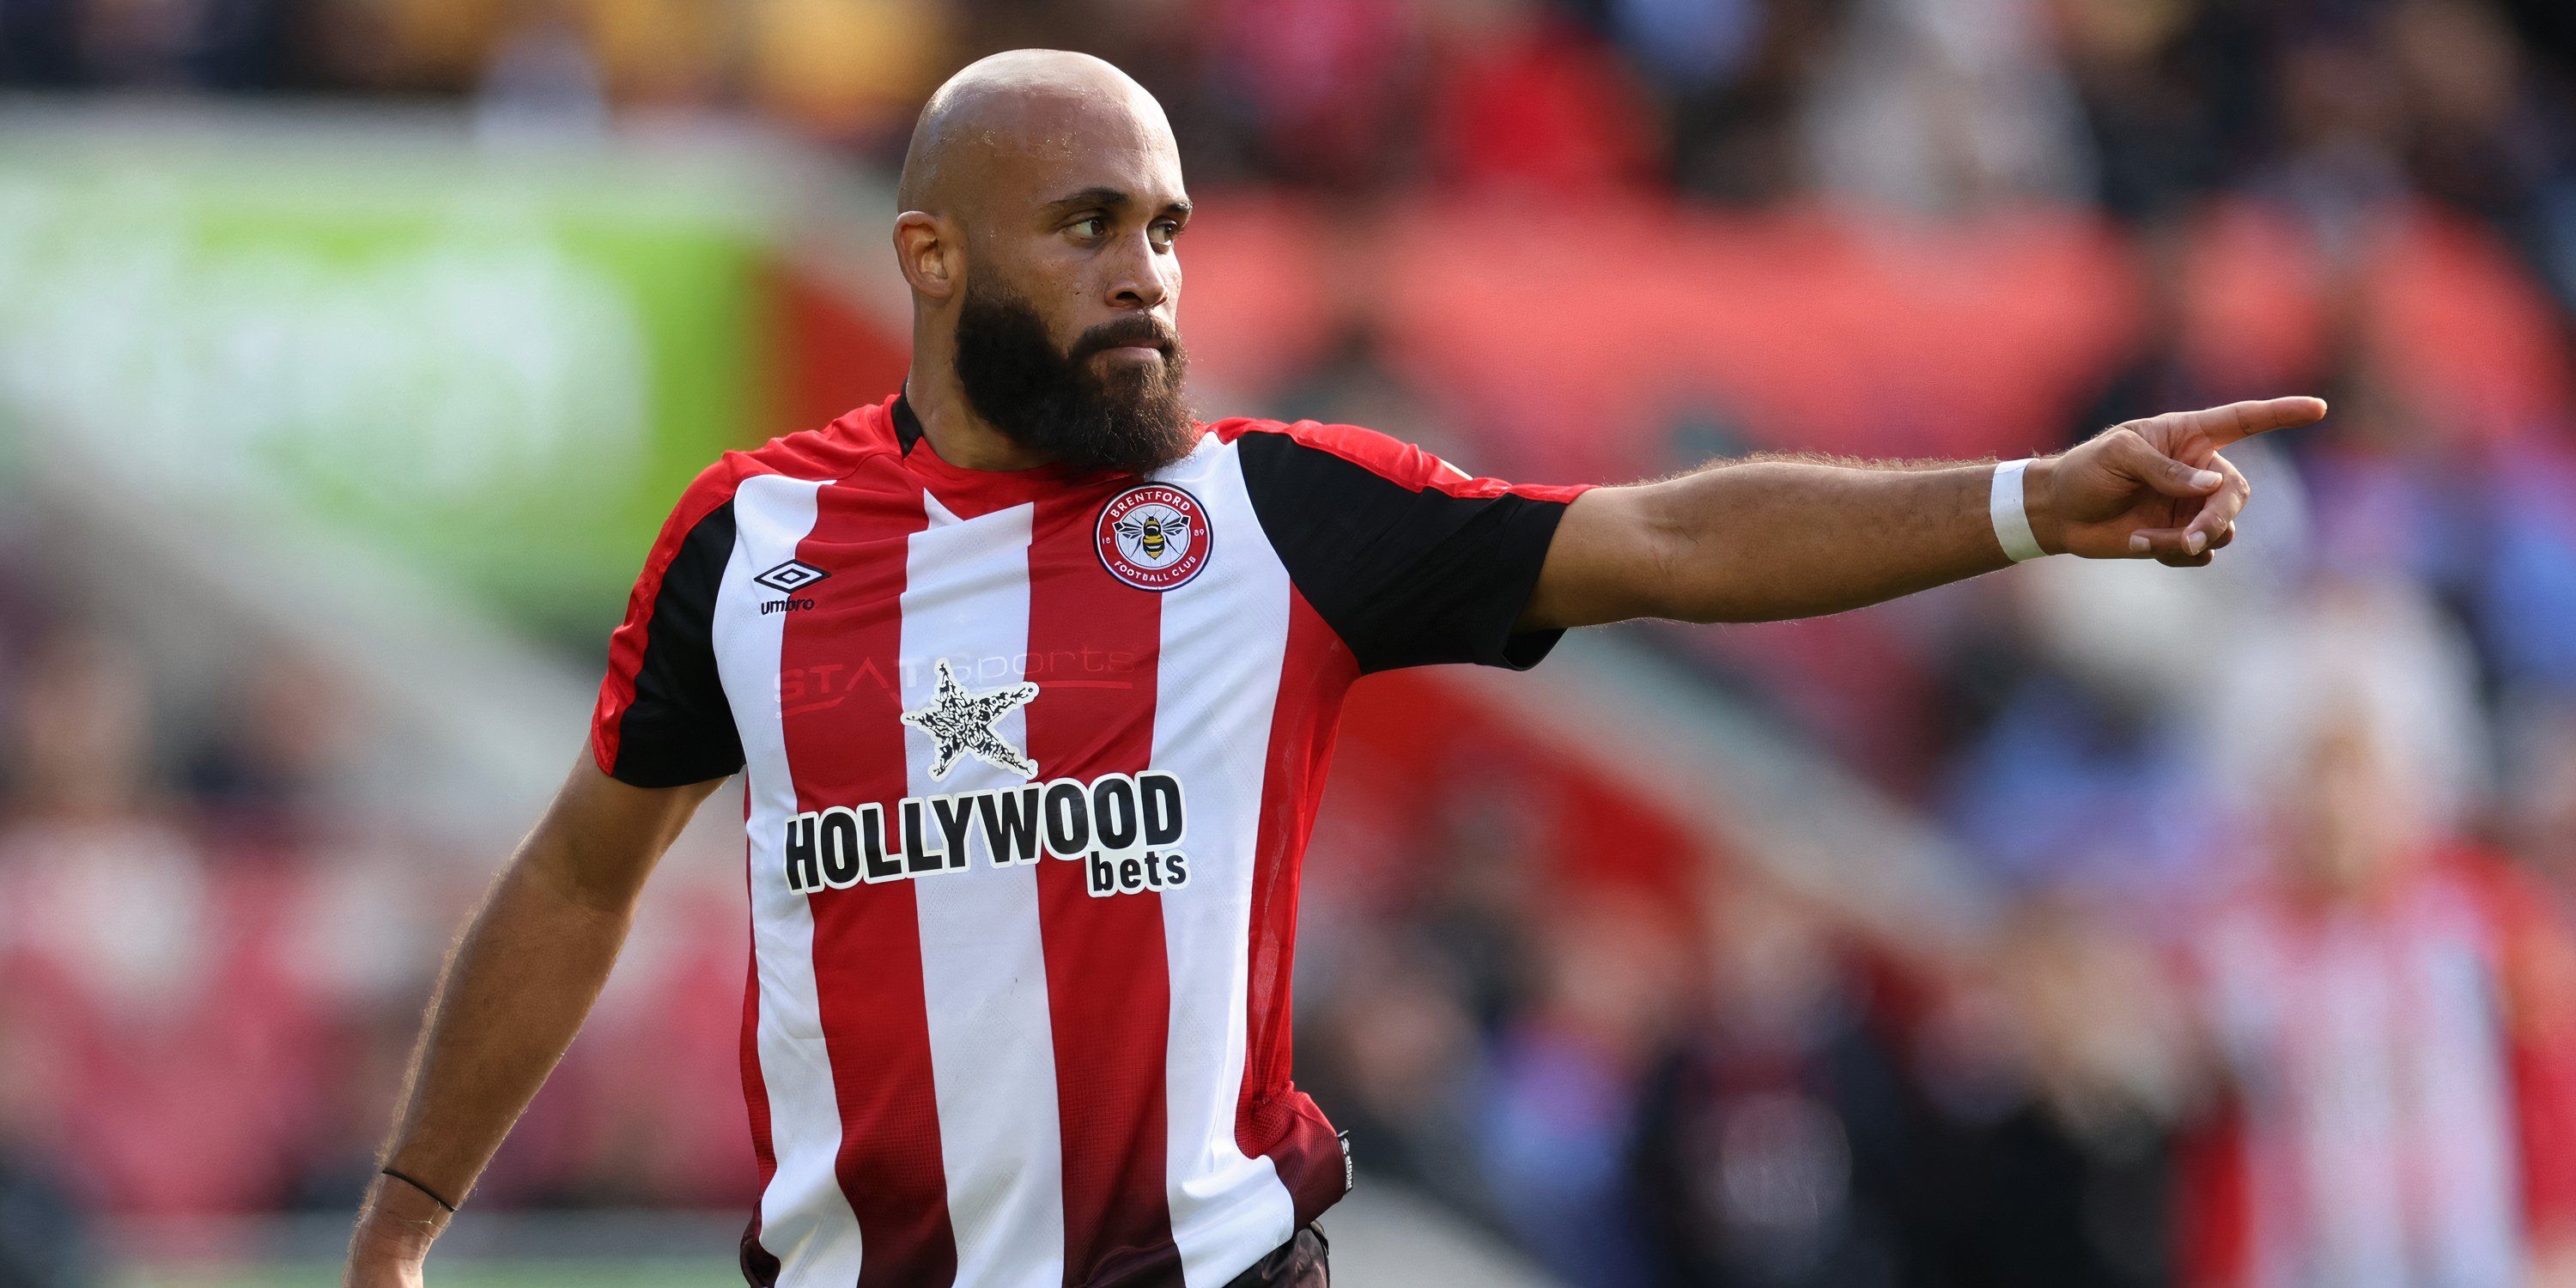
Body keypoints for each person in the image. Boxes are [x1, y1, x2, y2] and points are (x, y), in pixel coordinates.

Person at [340, 48, 2323, 1288]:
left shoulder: (1275, 521)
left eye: (1173, 228)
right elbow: (583, 875)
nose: (1149, 273)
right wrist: (408, 1217)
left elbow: (1664, 537)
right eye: (1090, 223)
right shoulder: (749, 542)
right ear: (930, 255)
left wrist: (2021, 503)